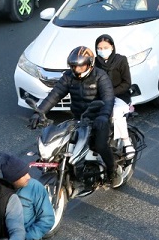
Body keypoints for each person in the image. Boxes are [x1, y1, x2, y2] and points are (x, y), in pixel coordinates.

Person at [31, 46, 120, 188]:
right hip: (79, 118)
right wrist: (39, 112)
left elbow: (108, 99)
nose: (77, 69)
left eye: (80, 66)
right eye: (74, 66)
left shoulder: (100, 75)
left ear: (90, 63)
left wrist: (103, 116)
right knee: (64, 143)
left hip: (99, 118)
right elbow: (55, 95)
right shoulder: (68, 77)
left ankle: (112, 171)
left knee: (100, 145)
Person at [94, 34, 134, 161]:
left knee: (116, 112)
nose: (102, 50)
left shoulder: (121, 60)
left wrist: (111, 93)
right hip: (100, 97)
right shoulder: (94, 62)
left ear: (112, 47)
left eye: (105, 47)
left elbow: (127, 83)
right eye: (99, 48)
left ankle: (127, 142)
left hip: (119, 95)